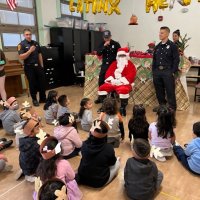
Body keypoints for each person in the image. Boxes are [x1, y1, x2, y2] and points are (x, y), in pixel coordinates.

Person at [76, 119, 120, 188]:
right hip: (98, 182)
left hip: (82, 177)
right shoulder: (109, 148)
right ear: (106, 134)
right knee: (117, 163)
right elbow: (112, 163)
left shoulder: (84, 144)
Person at [97, 47, 137, 116]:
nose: (121, 57)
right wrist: (112, 80)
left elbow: (132, 75)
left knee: (123, 89)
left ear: (126, 56)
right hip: (113, 82)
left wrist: (121, 81)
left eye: (123, 55)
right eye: (120, 56)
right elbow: (108, 72)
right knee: (102, 87)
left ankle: (122, 108)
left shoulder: (130, 64)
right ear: (117, 56)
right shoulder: (114, 63)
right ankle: (104, 106)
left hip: (124, 83)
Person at [152, 26, 180, 112]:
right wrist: (154, 71)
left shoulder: (173, 46)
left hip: (167, 71)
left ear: (167, 34)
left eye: (162, 33)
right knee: (159, 91)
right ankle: (162, 106)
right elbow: (154, 59)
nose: (160, 34)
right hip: (157, 72)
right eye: (159, 32)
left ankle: (172, 108)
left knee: (170, 91)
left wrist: (172, 72)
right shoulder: (157, 46)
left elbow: (176, 59)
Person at [18, 28, 46, 107]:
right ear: (24, 35)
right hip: (29, 68)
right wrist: (30, 51)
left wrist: (42, 65)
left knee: (42, 82)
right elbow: (21, 57)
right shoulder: (21, 45)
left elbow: (39, 54)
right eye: (27, 34)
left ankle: (43, 98)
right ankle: (34, 99)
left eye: (30, 34)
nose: (29, 36)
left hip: (38, 66)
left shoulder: (36, 43)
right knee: (32, 84)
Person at [19, 117, 41, 182]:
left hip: (25, 165)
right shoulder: (34, 144)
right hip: (31, 168)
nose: (39, 129)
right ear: (31, 132)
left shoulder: (25, 140)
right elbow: (40, 156)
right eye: (37, 128)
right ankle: (29, 176)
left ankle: (25, 171)